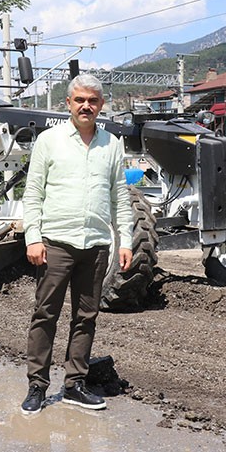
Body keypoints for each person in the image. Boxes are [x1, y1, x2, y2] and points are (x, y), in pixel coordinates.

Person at [20, 74, 133, 415]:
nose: (86, 105)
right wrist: (33, 237)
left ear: (101, 105)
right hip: (54, 243)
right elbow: (33, 192)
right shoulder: (49, 141)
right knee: (45, 315)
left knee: (86, 316)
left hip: (96, 245)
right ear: (68, 103)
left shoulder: (112, 145)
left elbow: (121, 198)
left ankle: (74, 385)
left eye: (93, 101)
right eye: (80, 100)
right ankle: (37, 386)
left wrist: (124, 240)